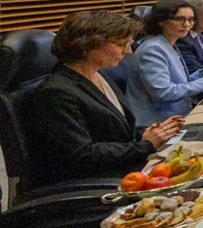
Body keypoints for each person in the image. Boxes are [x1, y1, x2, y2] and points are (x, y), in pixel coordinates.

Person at [31, 11, 184, 186]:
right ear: (88, 45)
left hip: (123, 167)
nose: (128, 51)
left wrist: (151, 132)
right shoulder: (56, 93)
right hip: (98, 182)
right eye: (121, 44)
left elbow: (112, 131)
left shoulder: (99, 75)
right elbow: (82, 155)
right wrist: (145, 145)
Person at [125, 0, 203, 126]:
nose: (187, 25)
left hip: (177, 115)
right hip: (158, 124)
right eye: (179, 19)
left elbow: (179, 82)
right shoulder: (153, 49)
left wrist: (202, 73)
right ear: (161, 21)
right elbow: (164, 92)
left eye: (191, 19)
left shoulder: (168, 43)